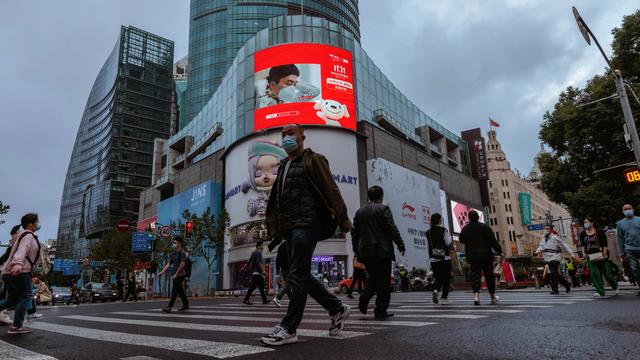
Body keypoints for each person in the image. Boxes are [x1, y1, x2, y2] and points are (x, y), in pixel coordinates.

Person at [262, 124, 352, 346]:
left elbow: (331, 189)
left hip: (307, 225)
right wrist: (277, 231)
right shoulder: (283, 165)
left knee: (297, 275)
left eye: (291, 134)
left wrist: (343, 218)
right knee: (299, 273)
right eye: (283, 135)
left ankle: (289, 328)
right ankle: (336, 308)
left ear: (302, 137)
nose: (286, 138)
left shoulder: (314, 159)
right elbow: (281, 201)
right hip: (290, 228)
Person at [351, 186, 405, 319]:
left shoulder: (360, 212)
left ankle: (364, 298)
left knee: (373, 277)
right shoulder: (384, 209)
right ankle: (380, 310)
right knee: (384, 281)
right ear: (381, 197)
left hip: (366, 252)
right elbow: (391, 228)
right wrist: (400, 244)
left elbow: (354, 233)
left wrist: (356, 250)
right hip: (382, 250)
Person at [0, 213, 42, 334]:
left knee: (11, 300)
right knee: (26, 297)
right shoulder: (28, 235)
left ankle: (17, 326)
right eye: (36, 221)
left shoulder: (24, 235)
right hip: (20, 271)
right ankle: (17, 326)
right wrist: (18, 263)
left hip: (11, 271)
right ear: (30, 224)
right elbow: (22, 249)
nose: (38, 223)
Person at [459, 210, 502, 305]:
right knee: (489, 276)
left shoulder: (465, 228)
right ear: (478, 217)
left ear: (469, 218)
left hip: (473, 256)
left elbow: (461, 240)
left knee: (475, 276)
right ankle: (492, 296)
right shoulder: (485, 227)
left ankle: (476, 296)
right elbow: (492, 241)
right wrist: (499, 250)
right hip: (486, 255)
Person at [579, 217, 619, 297]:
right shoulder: (583, 234)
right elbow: (583, 245)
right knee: (594, 273)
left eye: (587, 222)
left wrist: (604, 253)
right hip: (590, 256)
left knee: (607, 273)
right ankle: (600, 291)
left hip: (601, 254)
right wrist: (584, 254)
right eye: (584, 222)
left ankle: (615, 286)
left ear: (592, 223)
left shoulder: (599, 231)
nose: (585, 224)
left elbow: (604, 243)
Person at [255, 64, 320, 109]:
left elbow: (315, 92)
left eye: (293, 84)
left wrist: (296, 84)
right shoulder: (257, 89)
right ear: (272, 85)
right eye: (288, 83)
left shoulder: (294, 98)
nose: (291, 88)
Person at [535, 224, 576, 295]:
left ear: (551, 230)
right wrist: (537, 252)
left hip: (555, 257)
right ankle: (567, 284)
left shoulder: (555, 238)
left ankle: (555, 289)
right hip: (548, 258)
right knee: (555, 274)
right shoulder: (543, 238)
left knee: (553, 273)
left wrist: (571, 254)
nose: (545, 230)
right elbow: (541, 246)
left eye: (547, 228)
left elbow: (564, 245)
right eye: (544, 228)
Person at [427, 213, 453, 304]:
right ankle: (444, 298)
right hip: (444, 257)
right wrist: (450, 237)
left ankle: (435, 290)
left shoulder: (428, 232)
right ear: (439, 220)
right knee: (446, 278)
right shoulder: (443, 230)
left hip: (433, 258)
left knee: (438, 277)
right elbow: (448, 242)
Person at [158, 236, 189, 313]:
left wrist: (176, 274)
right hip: (175, 274)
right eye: (173, 243)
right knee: (180, 291)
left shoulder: (182, 253)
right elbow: (168, 264)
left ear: (180, 243)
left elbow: (182, 264)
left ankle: (169, 307)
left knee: (174, 290)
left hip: (180, 275)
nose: (173, 244)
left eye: (175, 243)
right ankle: (186, 304)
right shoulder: (173, 254)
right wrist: (161, 272)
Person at [616, 204, 640, 296]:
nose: (627, 210)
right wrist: (622, 253)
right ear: (623, 212)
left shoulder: (639, 220)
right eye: (625, 209)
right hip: (629, 249)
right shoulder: (620, 224)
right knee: (635, 269)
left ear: (633, 209)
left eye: (629, 208)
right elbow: (620, 239)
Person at [0, 224, 22, 326]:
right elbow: (5, 258)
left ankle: (4, 314)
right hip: (11, 273)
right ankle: (17, 324)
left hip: (10, 273)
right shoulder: (15, 244)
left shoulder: (15, 243)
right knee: (20, 297)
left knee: (10, 296)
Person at [242, 241, 268, 305]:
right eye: (262, 245)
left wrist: (244, 268)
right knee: (257, 287)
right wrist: (263, 271)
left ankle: (264, 300)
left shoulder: (253, 253)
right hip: (258, 273)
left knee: (257, 287)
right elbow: (259, 262)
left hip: (254, 273)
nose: (263, 247)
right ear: (259, 246)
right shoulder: (259, 252)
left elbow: (249, 261)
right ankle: (246, 299)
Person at [269, 240, 289, 308]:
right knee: (290, 284)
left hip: (284, 269)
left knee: (288, 285)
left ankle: (293, 302)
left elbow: (278, 258)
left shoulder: (280, 246)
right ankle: (277, 298)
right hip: (290, 268)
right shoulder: (289, 244)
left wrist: (278, 269)